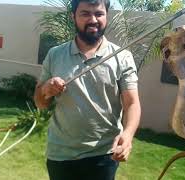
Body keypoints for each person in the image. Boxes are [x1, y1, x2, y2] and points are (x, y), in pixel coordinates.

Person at [33, 0, 141, 179]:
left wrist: (128, 135)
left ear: (107, 16)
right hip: (60, 155)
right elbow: (40, 102)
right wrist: (46, 89)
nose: (93, 19)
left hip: (104, 154)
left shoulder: (122, 57)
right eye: (85, 14)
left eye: (99, 14)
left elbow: (132, 103)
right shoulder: (55, 55)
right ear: (72, 17)